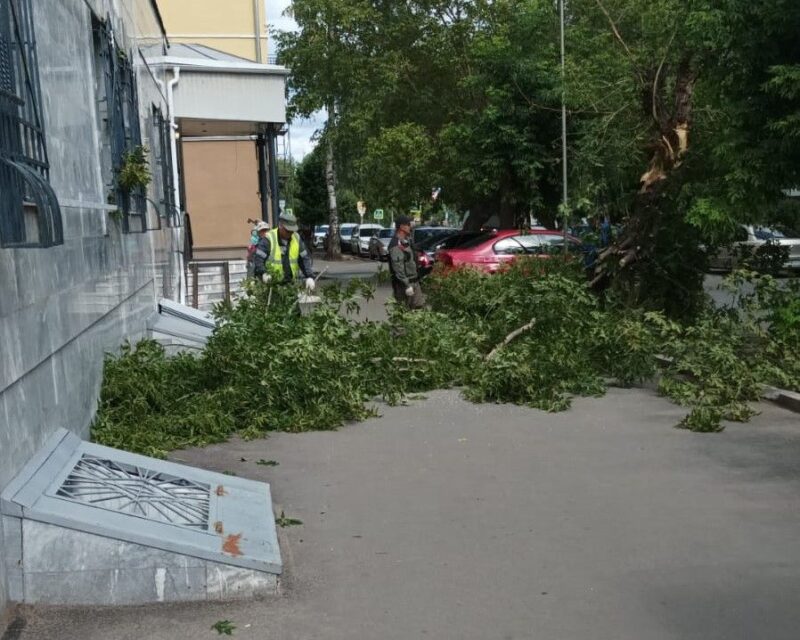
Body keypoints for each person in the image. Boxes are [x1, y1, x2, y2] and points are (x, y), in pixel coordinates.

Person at [253, 212, 316, 292]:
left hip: (290, 285)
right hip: (271, 286)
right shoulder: (269, 238)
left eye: (292, 231)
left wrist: (309, 276)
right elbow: (258, 259)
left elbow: (304, 259)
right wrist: (263, 273)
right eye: (288, 230)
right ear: (280, 225)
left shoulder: (296, 238)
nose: (290, 233)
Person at [388, 215, 424, 309]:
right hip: (404, 286)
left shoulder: (406, 241)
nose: (410, 227)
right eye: (408, 224)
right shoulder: (395, 245)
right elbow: (398, 268)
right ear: (401, 227)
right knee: (404, 314)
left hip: (415, 282)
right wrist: (407, 285)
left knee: (419, 311)